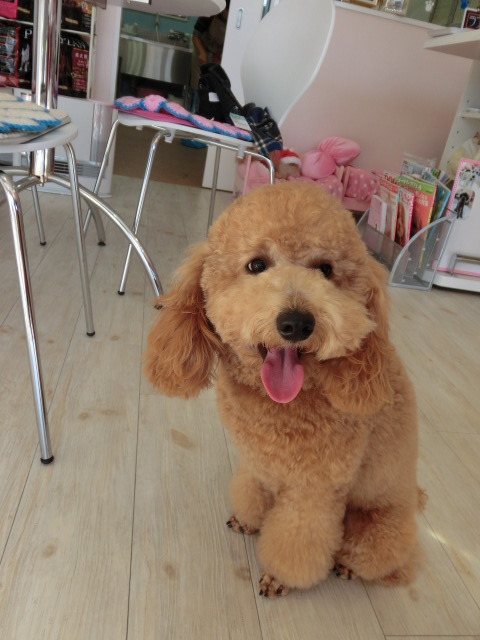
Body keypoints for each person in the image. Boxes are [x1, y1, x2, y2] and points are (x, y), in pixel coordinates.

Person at [189, 1, 230, 110]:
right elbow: (195, 35)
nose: (229, 15)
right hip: (201, 50)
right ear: (224, 9)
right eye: (227, 11)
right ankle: (194, 111)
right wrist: (202, 53)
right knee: (198, 86)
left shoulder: (234, 22)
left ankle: (208, 113)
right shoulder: (210, 13)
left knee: (213, 88)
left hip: (217, 56)